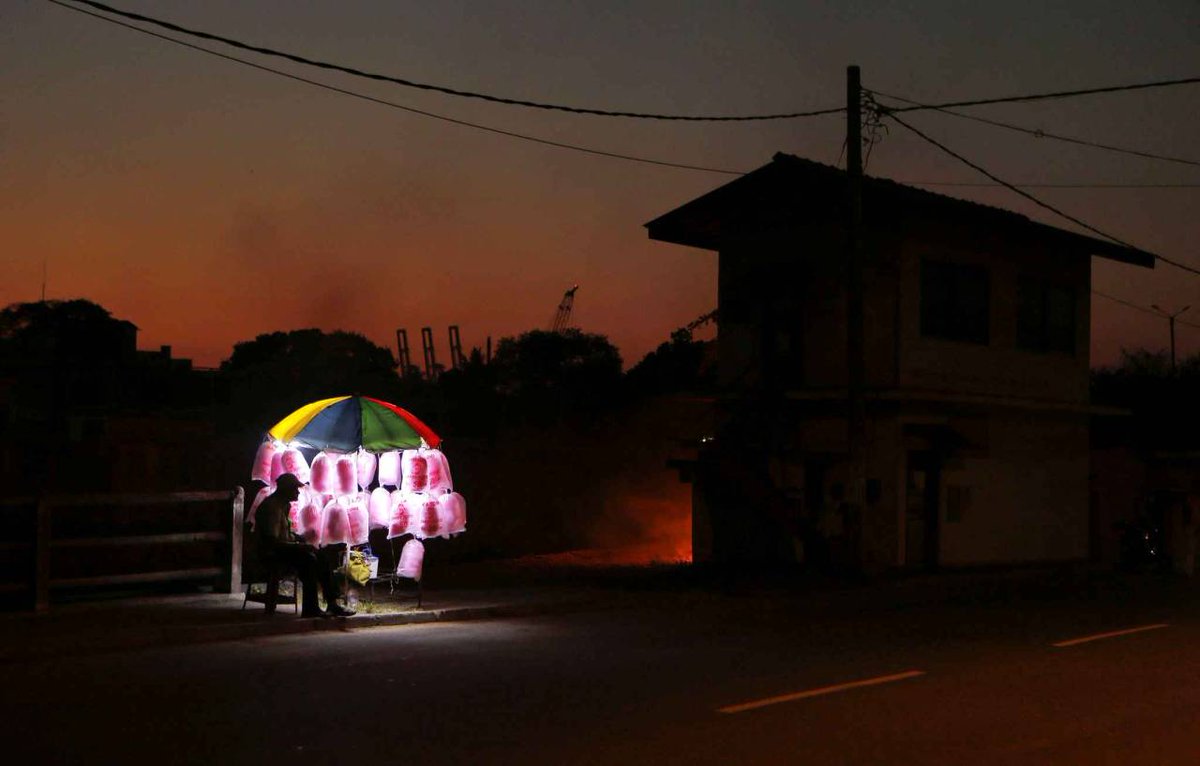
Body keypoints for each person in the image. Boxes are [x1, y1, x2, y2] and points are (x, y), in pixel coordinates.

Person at [255, 473, 355, 618]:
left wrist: (300, 538)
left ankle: (332, 603)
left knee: (321, 556)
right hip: (271, 553)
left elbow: (284, 534)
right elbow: (272, 542)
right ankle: (310, 608)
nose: (297, 492)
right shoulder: (272, 508)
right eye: (295, 489)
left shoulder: (283, 506)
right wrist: (300, 546)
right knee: (309, 560)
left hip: (282, 550)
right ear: (285, 489)